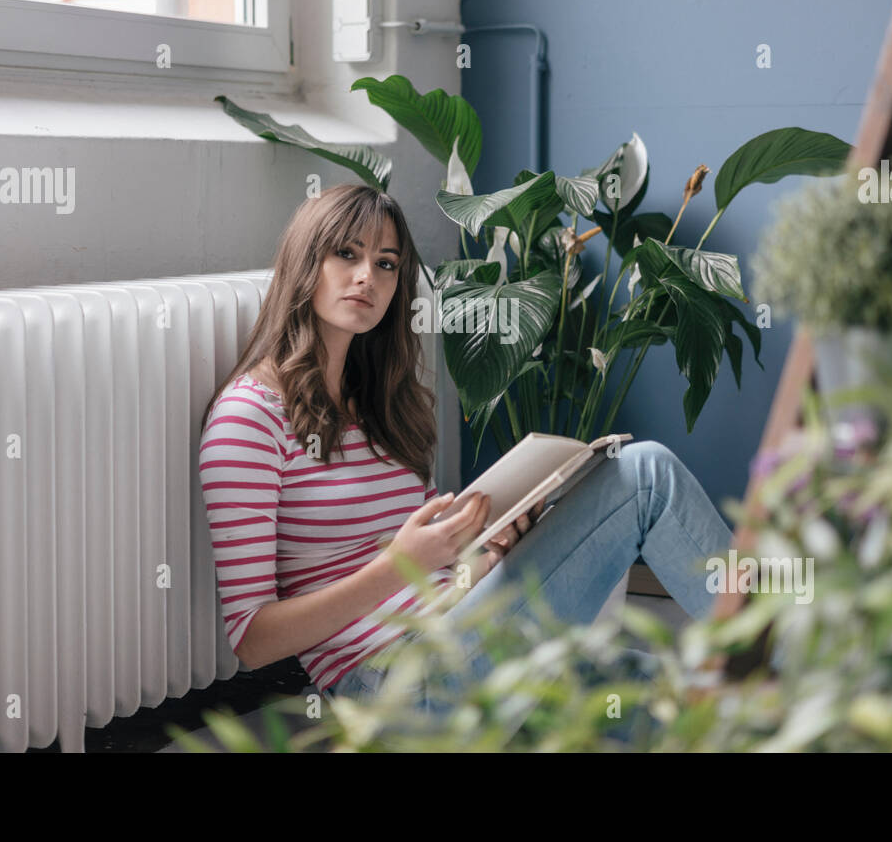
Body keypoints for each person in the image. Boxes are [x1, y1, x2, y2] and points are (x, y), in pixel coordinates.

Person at [198, 183, 735, 725]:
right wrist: (400, 566)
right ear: (304, 260)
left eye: (386, 263)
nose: (368, 277)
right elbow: (252, 640)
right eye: (347, 253)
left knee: (698, 706)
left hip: (469, 641)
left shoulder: (381, 407)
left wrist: (493, 549)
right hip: (399, 687)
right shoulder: (250, 416)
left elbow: (441, 575)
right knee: (644, 475)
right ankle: (793, 656)